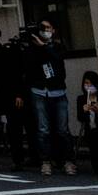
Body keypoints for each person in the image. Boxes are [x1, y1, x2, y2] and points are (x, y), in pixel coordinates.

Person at [23, 19, 76, 175]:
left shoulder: (58, 45)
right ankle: (45, 161)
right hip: (39, 90)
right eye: (42, 28)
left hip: (58, 90)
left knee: (62, 129)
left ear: (53, 30)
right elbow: (28, 66)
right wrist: (35, 45)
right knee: (43, 129)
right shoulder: (31, 47)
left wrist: (44, 46)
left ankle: (68, 161)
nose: (45, 31)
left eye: (48, 28)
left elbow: (58, 58)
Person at [0, 26, 31, 171]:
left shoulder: (8, 52)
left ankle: (17, 160)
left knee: (14, 128)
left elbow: (17, 74)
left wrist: (19, 94)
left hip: (9, 93)